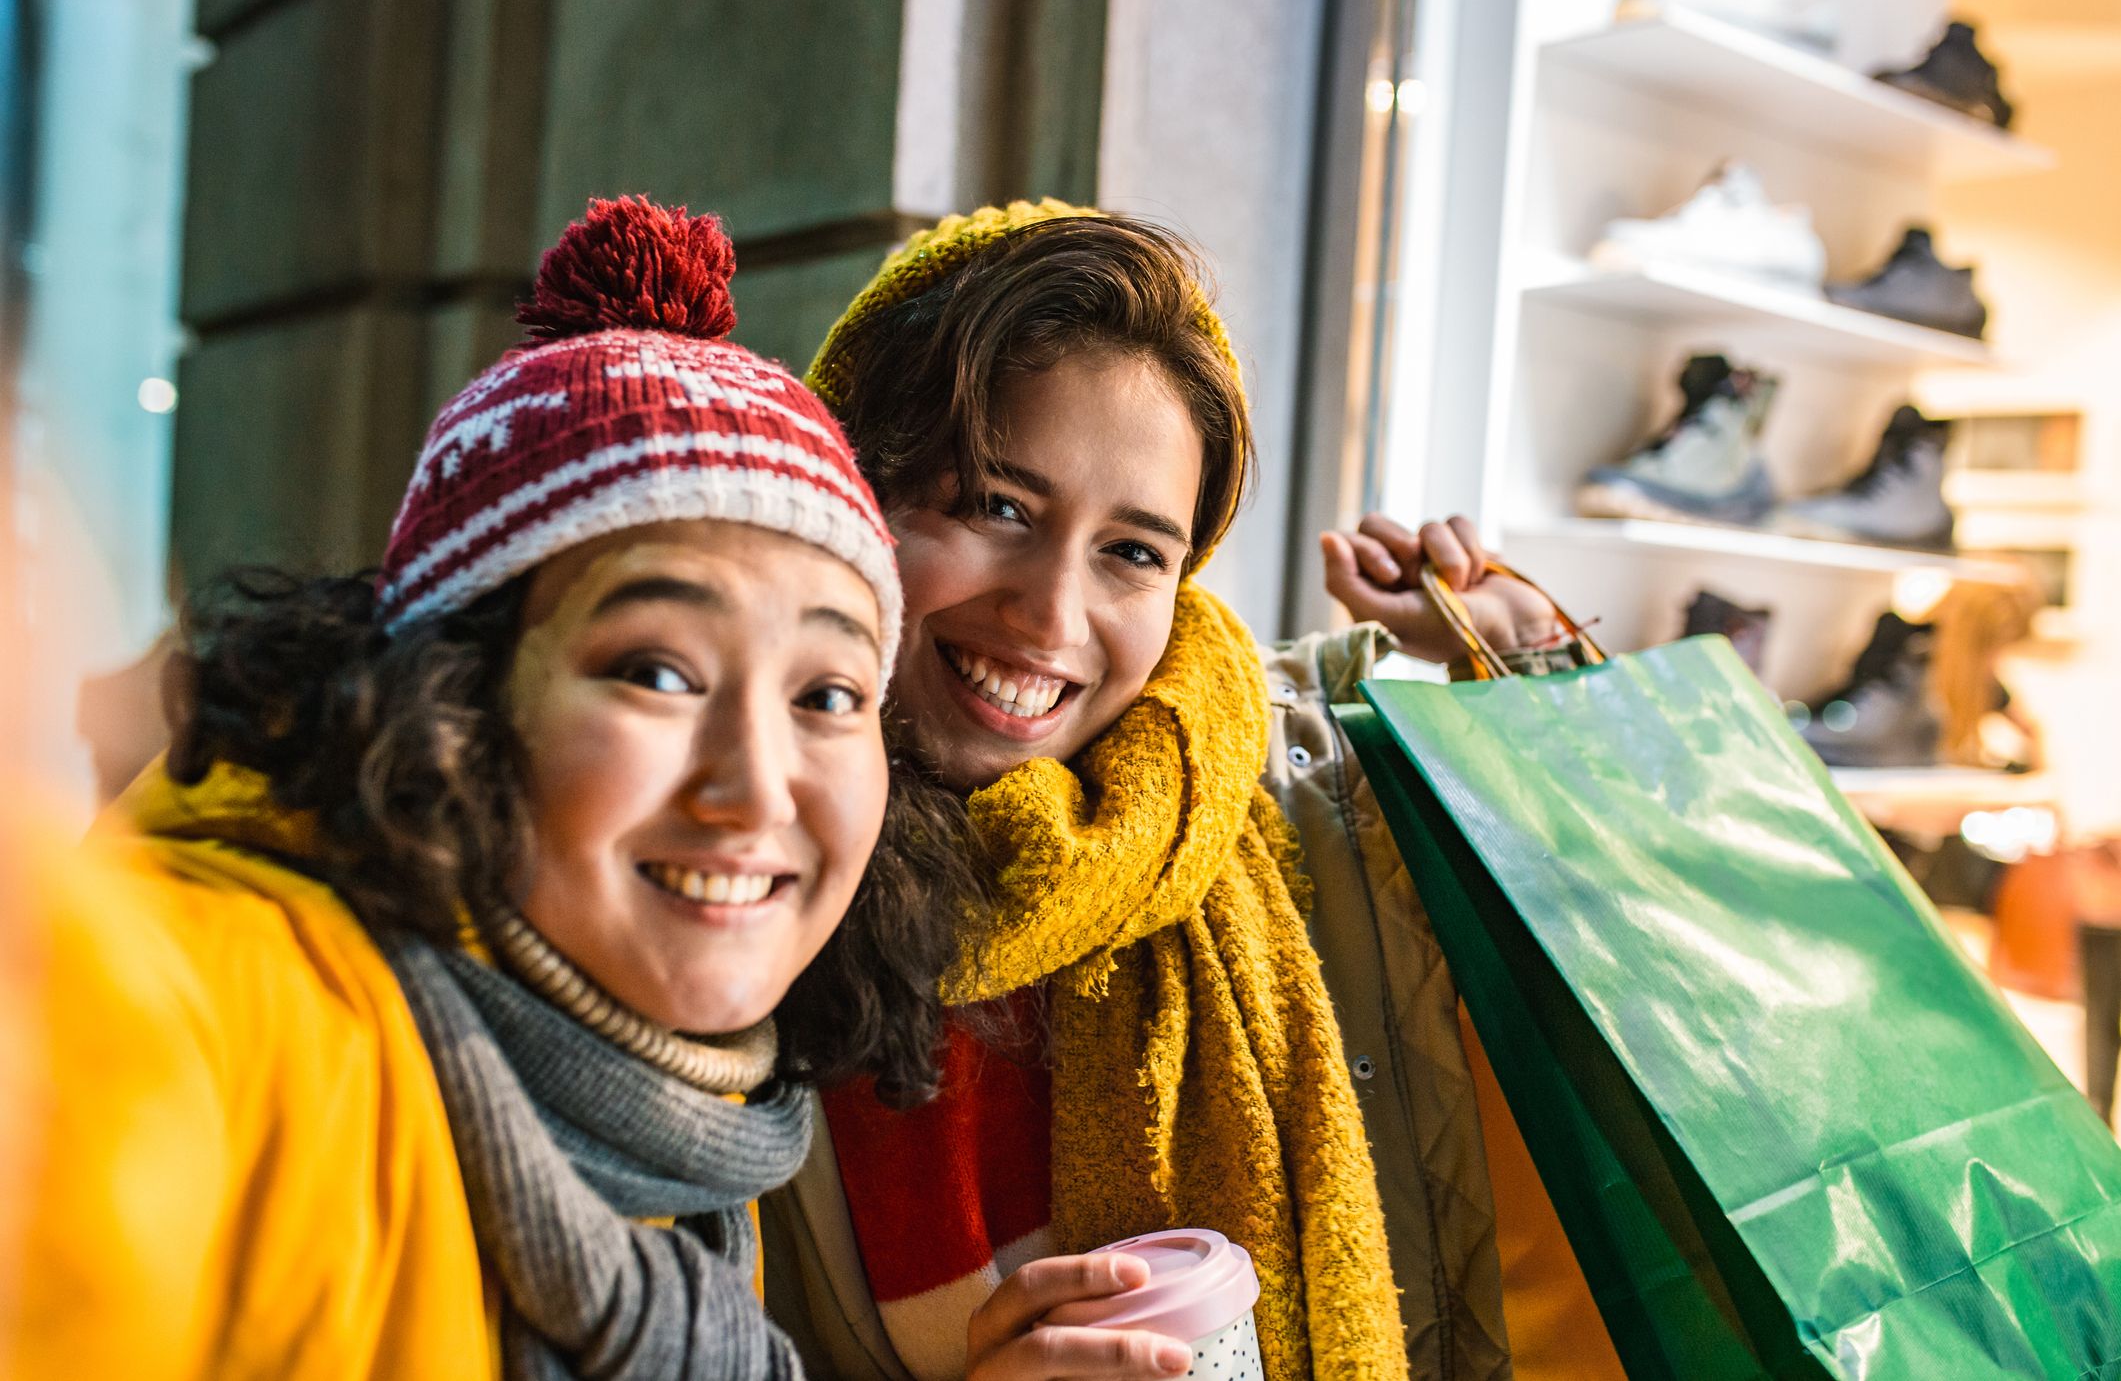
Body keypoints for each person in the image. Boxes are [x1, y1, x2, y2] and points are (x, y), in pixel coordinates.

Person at [4, 197, 973, 1380]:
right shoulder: (267, 1011)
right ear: (450, 702)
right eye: (657, 671)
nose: (758, 785)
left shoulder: (699, 1127)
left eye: (826, 695)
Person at [762, 201, 1621, 1381]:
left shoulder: (1297, 783)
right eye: (995, 506)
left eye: (1132, 552)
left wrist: (1517, 650)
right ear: (853, 492)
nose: (1053, 616)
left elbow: (1635, 930)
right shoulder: (732, 865)